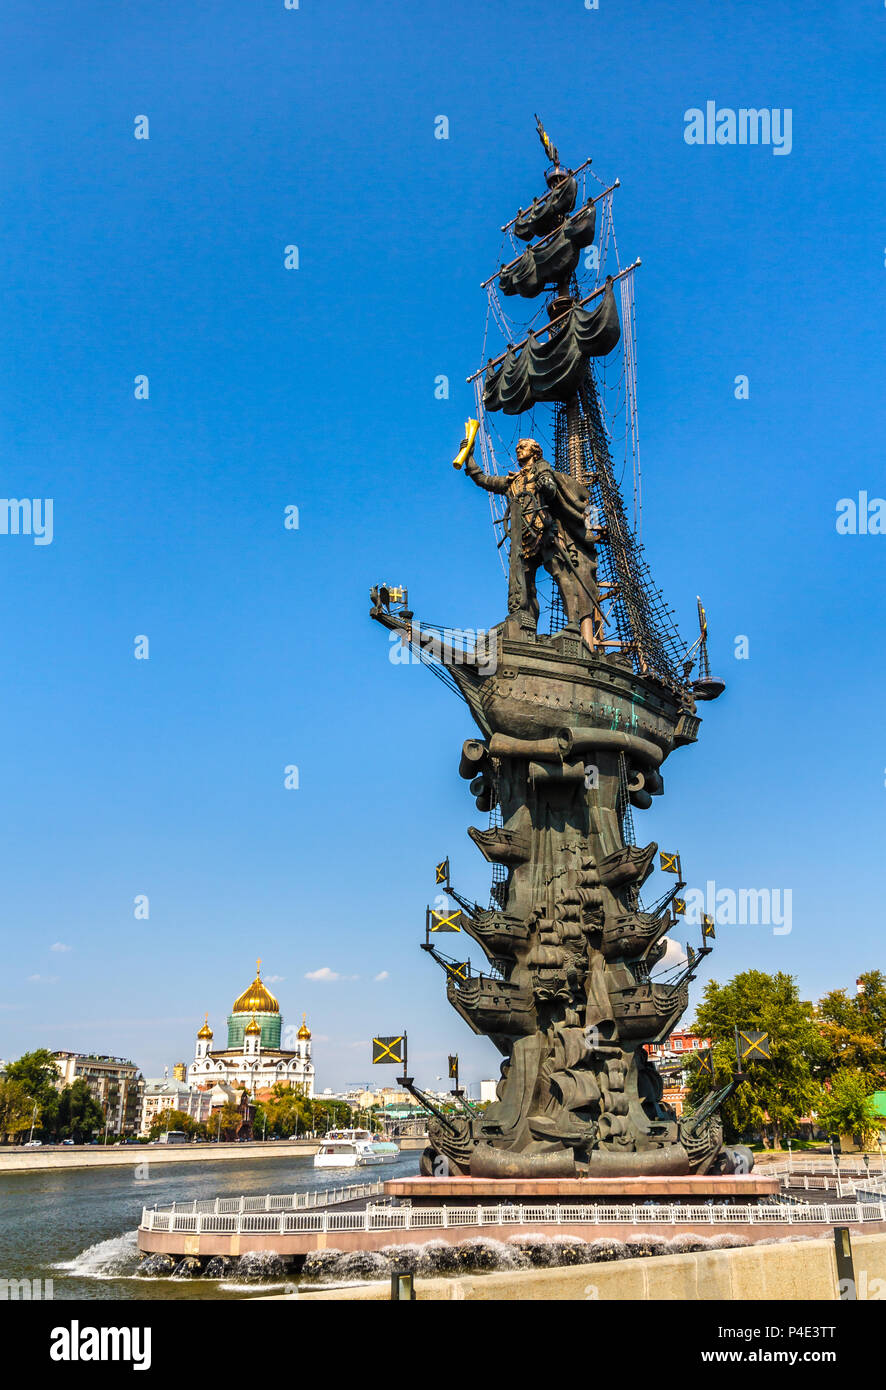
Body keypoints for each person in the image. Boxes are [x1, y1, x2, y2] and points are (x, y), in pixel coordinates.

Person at [462, 436, 601, 638]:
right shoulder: (513, 482)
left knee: (560, 574)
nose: (518, 449)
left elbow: (551, 491)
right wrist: (469, 457)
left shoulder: (543, 471)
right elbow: (485, 480)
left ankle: (572, 622)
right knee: (526, 588)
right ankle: (528, 632)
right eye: (517, 447)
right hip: (521, 539)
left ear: (534, 452)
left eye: (523, 447)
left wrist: (546, 483)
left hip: (544, 532)